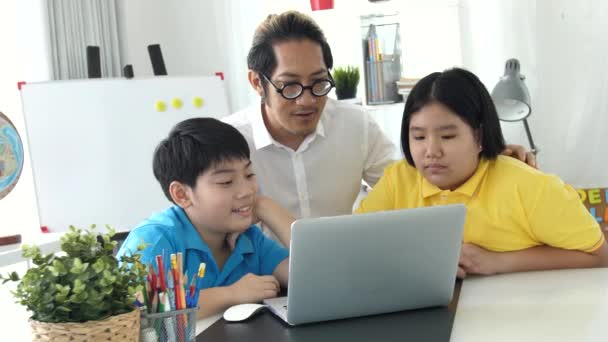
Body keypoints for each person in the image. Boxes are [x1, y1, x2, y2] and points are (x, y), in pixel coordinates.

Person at [223, 11, 536, 224]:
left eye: (319, 82)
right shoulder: (229, 142)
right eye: (290, 85)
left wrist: (490, 159)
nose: (307, 99)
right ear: (256, 82)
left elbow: (416, 182)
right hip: (260, 284)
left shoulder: (354, 125)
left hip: (346, 273)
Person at [356, 67, 608, 278]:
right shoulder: (398, 180)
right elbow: (355, 247)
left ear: (478, 136)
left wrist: (497, 262)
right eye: (419, 136)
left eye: (447, 136)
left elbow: (599, 255)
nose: (431, 151)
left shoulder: (529, 186)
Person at [116, 118, 295, 318]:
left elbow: (316, 279)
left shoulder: (249, 239)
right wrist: (231, 294)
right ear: (182, 195)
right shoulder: (155, 238)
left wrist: (267, 207)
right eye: (226, 182)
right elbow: (140, 309)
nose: (246, 191)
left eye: (249, 175)